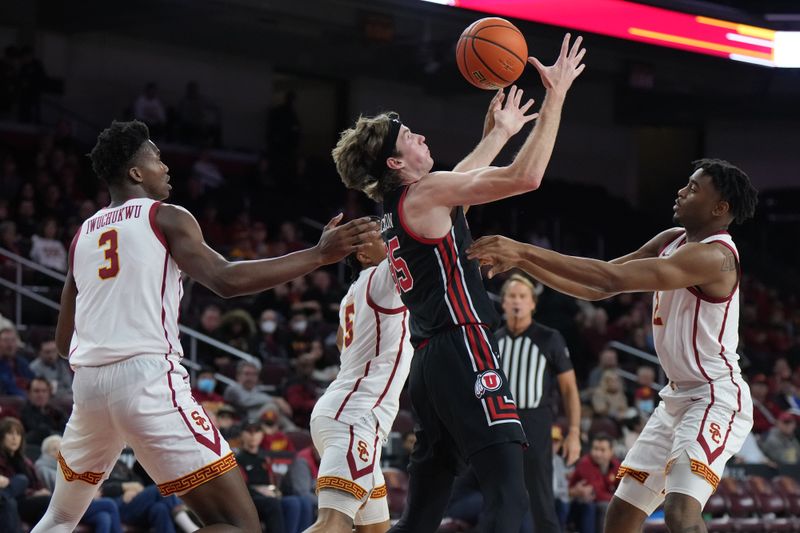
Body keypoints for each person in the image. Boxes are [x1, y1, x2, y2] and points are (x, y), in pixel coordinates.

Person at [32, 119, 379, 532]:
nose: (166, 167)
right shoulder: (167, 217)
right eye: (157, 159)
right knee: (240, 524)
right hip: (146, 380)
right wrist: (318, 256)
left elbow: (62, 341)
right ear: (136, 172)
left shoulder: (82, 236)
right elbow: (226, 280)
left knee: (60, 518)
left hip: (88, 386)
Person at [332, 34, 586, 533]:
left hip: (429, 363)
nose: (420, 136)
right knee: (509, 489)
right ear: (395, 164)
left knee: (423, 511)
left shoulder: (402, 207)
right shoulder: (423, 194)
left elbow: (460, 186)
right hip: (463, 344)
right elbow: (526, 177)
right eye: (407, 136)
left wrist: (498, 132)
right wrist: (555, 95)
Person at [467, 158, 759, 533]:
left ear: (721, 208)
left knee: (681, 513)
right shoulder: (670, 240)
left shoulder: (715, 258)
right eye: (686, 184)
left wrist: (524, 252)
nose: (681, 191)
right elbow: (596, 287)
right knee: (621, 516)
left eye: (693, 188)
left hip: (714, 396)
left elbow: (609, 279)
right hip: (676, 397)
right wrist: (524, 265)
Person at [303, 227, 413, 533]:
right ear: (363, 255)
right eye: (381, 236)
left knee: (376, 530)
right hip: (354, 419)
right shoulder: (382, 278)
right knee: (332, 524)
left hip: (346, 414)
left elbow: (342, 342)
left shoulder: (352, 294)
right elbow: (429, 232)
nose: (390, 236)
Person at [495, 273, 581, 533]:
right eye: (512, 296)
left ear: (533, 303)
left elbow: (569, 389)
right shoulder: (493, 340)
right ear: (503, 303)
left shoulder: (549, 338)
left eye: (522, 296)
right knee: (499, 496)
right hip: (499, 423)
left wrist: (574, 433)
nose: (517, 302)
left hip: (535, 421)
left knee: (541, 495)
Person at [567, 434, 620, 533]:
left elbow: (622, 488)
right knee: (604, 506)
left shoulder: (616, 464)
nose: (598, 453)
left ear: (611, 451)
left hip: (602, 501)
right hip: (576, 503)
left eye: (602, 450)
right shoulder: (585, 463)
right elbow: (595, 492)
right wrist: (617, 501)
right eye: (595, 449)